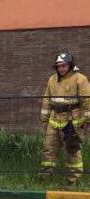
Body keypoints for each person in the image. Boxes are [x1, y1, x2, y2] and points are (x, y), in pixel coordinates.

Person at [40, 51, 90, 184]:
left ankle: (74, 180)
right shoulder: (52, 79)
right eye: (59, 66)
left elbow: (87, 102)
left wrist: (87, 121)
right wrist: (44, 119)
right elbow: (46, 100)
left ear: (70, 65)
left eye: (64, 65)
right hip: (54, 119)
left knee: (73, 150)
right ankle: (45, 177)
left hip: (72, 121)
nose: (61, 68)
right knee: (48, 148)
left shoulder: (80, 79)